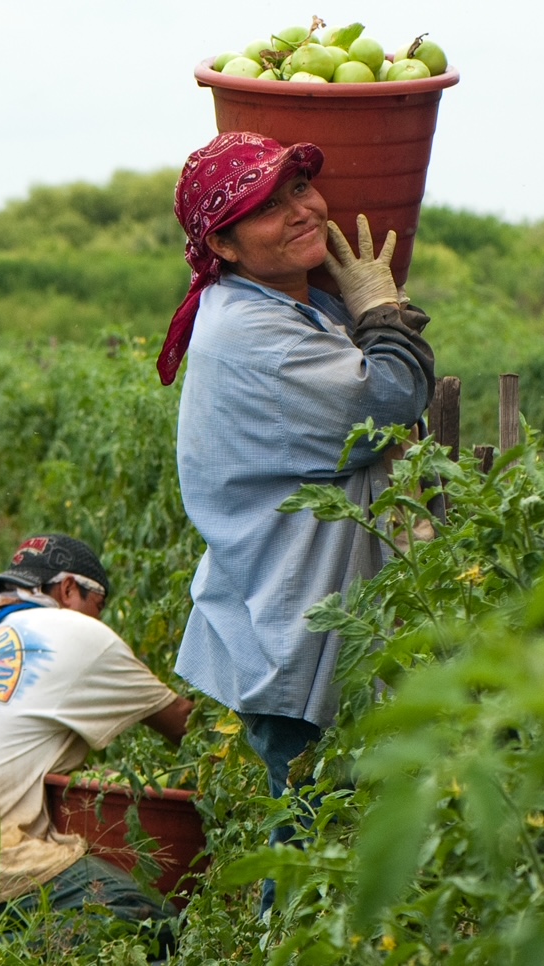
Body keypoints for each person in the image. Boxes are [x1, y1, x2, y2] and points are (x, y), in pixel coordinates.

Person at [158, 132, 436, 912]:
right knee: (317, 855)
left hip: (280, 612)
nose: (302, 211)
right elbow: (389, 400)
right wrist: (383, 308)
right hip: (291, 627)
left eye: (300, 191)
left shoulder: (263, 303)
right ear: (222, 242)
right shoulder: (256, 337)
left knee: (317, 838)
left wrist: (359, 306)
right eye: (268, 207)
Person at [0, 534, 194, 933]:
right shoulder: (82, 633)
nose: (99, 620)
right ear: (68, 589)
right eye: (97, 606)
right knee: (156, 931)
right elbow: (186, 726)